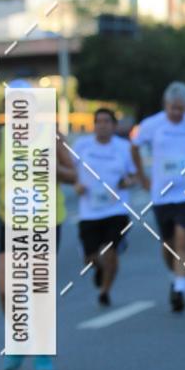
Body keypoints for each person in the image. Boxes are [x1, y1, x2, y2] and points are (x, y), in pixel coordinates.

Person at [0, 80, 76, 370]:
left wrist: (53, 167)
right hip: (11, 221)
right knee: (5, 289)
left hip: (46, 222)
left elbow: (73, 172)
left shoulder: (51, 136)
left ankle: (41, 350)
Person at [131, 82, 185, 312]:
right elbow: (134, 146)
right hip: (162, 195)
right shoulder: (152, 124)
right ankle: (175, 276)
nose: (176, 112)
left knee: (183, 239)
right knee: (168, 244)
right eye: (172, 108)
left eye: (180, 108)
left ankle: (179, 289)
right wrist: (142, 177)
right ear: (165, 105)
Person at [74, 108, 137, 306]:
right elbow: (69, 171)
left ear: (114, 125)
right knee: (90, 259)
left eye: (107, 121)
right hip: (89, 211)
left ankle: (105, 291)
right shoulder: (82, 146)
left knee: (110, 252)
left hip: (116, 210)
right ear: (94, 125)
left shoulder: (124, 147)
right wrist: (76, 184)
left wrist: (128, 181)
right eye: (99, 121)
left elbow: (135, 174)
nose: (102, 125)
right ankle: (99, 268)